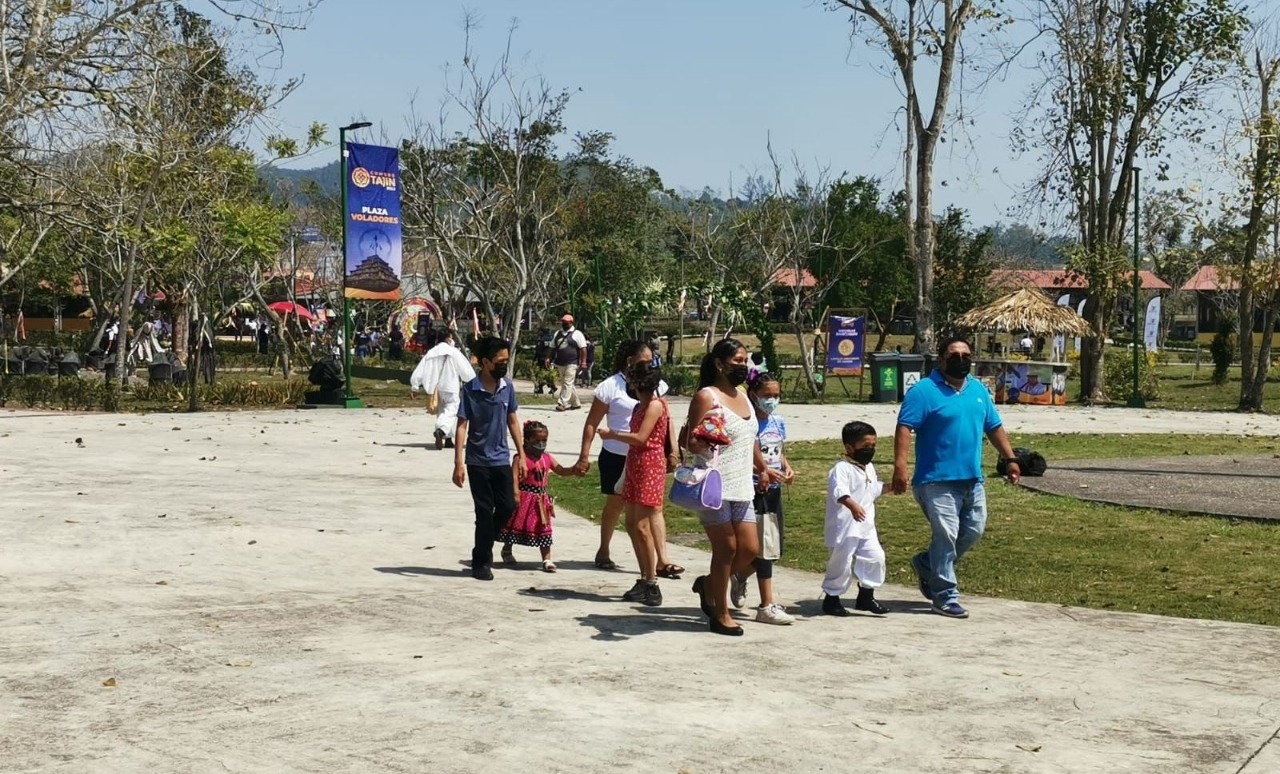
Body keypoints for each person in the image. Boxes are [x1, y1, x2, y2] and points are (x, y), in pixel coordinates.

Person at [892, 335, 1022, 618]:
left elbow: (994, 426)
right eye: (954, 355)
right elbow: (904, 428)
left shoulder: (977, 390)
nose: (961, 359)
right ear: (941, 359)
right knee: (946, 537)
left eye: (966, 355)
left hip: (972, 479)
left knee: (973, 531)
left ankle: (928, 565)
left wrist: (1010, 458)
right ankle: (944, 595)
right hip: (935, 480)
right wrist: (900, 467)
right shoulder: (924, 391)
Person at [574, 341, 682, 577]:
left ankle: (662, 561)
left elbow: (667, 420)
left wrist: (672, 449)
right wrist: (584, 455)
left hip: (648, 458)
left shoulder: (656, 386)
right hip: (617, 455)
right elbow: (592, 422)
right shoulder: (609, 387)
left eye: (651, 360)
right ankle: (604, 549)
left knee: (654, 508)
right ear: (629, 360)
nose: (649, 364)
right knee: (617, 504)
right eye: (644, 360)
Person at [687, 338, 760, 637]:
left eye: (745, 361)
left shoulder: (744, 396)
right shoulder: (707, 397)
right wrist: (705, 437)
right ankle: (721, 613)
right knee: (727, 548)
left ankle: (708, 584)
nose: (743, 366)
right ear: (719, 364)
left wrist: (764, 468)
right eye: (737, 361)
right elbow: (689, 440)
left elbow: (749, 436)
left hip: (743, 484)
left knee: (750, 550)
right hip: (714, 484)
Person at [452, 336, 527, 581]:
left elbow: (513, 420)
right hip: (477, 461)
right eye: (500, 361)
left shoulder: (507, 387)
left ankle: (488, 537)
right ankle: (481, 561)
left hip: (501, 460)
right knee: (484, 512)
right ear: (485, 362)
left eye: (507, 360)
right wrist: (458, 463)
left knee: (507, 506)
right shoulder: (471, 390)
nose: (504, 365)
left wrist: (522, 454)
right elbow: (462, 426)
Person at [598, 361, 672, 607]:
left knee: (642, 526)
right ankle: (644, 577)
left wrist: (613, 434)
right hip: (635, 464)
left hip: (649, 467)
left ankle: (651, 582)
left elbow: (642, 438)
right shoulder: (642, 405)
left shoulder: (654, 406)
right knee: (631, 523)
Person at [729, 372, 796, 625]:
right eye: (767, 395)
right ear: (754, 395)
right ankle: (766, 604)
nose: (772, 400)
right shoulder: (749, 424)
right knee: (761, 549)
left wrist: (786, 468)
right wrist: (762, 472)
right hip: (753, 490)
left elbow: (778, 452)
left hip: (774, 491)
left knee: (773, 549)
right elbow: (746, 456)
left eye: (776, 395)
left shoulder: (778, 422)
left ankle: (738, 575)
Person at [821, 421, 889, 617]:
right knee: (841, 563)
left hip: (866, 526)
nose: (870, 450)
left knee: (876, 557)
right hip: (845, 526)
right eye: (865, 446)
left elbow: (872, 489)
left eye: (873, 446)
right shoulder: (841, 468)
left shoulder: (868, 468)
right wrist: (852, 505)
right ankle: (832, 598)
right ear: (850, 447)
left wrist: (891, 487)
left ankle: (866, 596)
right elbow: (839, 492)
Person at [498, 421, 578, 573]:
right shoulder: (520, 458)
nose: (541, 444)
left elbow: (561, 470)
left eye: (544, 441)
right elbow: (514, 477)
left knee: (544, 528)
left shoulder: (547, 458)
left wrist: (575, 469)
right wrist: (515, 494)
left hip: (541, 501)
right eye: (537, 441)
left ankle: (546, 559)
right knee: (515, 526)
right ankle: (507, 550)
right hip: (524, 498)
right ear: (527, 440)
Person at [410, 328, 476, 450]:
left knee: (442, 411)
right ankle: (440, 430)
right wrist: (473, 382)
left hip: (436, 388)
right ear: (448, 338)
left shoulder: (431, 353)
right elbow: (466, 370)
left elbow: (419, 370)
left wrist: (415, 387)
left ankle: (448, 439)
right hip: (451, 386)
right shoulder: (453, 352)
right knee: (451, 410)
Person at [550, 314, 588, 412]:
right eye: (563, 322)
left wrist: (583, 362)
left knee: (567, 382)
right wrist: (548, 358)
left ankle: (562, 403)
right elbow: (552, 347)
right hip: (560, 362)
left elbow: (583, 349)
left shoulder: (577, 334)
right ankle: (576, 403)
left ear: (571, 322)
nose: (564, 324)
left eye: (566, 322)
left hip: (572, 362)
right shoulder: (557, 333)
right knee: (566, 383)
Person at [533, 327, 557, 394]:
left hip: (542, 359)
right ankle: (551, 387)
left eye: (539, 331)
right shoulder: (552, 337)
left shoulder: (541, 339)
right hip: (551, 359)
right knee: (548, 374)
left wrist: (534, 359)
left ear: (541, 332)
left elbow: (538, 351)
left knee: (540, 374)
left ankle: (541, 388)